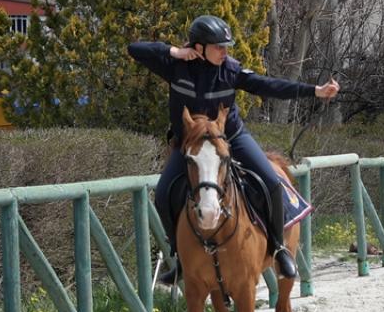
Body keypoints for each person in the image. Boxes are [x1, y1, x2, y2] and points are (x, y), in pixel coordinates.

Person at [130, 15, 340, 284]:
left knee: (273, 183)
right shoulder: (176, 66)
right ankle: (180, 257)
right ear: (199, 47)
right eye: (219, 47)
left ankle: (278, 248)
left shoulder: (230, 70)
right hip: (191, 146)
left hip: (230, 139)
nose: (224, 52)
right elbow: (134, 50)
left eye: (226, 46)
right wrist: (175, 51)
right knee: (162, 194)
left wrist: (316, 91)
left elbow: (268, 85)